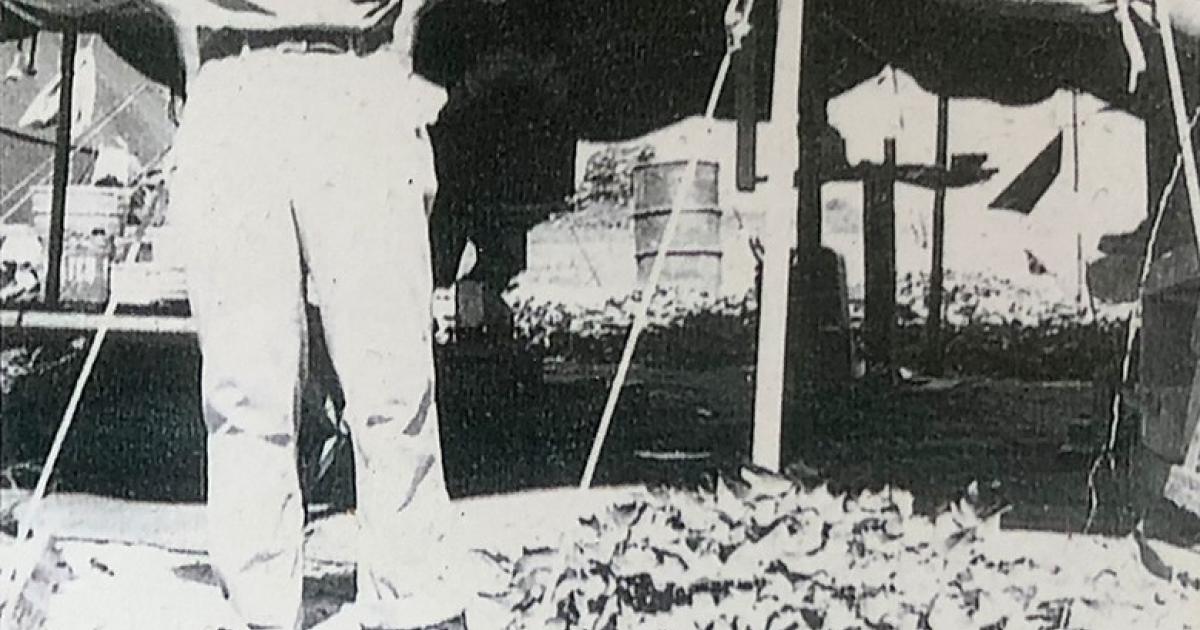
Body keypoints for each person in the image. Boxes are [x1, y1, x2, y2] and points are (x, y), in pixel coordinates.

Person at [141, 1, 465, 628]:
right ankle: (259, 608)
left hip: (357, 77)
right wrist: (189, 39)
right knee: (244, 390)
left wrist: (402, 42)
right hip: (234, 83)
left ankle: (417, 601)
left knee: (393, 381)